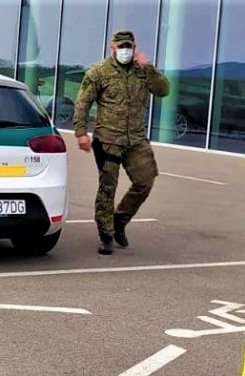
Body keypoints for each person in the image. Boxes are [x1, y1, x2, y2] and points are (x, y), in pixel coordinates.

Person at [73, 30, 169, 255]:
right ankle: (106, 235)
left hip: (135, 139)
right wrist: (81, 132)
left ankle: (119, 221)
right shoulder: (99, 72)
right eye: (121, 46)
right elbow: (82, 103)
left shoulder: (142, 72)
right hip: (108, 139)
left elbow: (163, 91)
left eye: (129, 46)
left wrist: (149, 67)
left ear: (135, 47)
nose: (125, 50)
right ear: (112, 48)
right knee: (108, 187)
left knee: (145, 181)